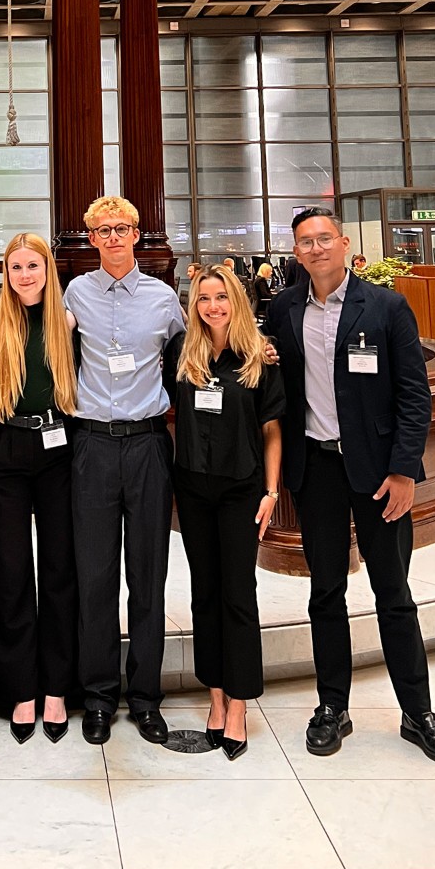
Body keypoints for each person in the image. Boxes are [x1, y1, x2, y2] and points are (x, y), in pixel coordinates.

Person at [264, 207, 435, 767]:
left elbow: (414, 394)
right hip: (318, 471)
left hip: (380, 473)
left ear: (344, 243)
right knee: (325, 592)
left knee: (393, 595)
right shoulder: (283, 308)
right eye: (305, 241)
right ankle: (333, 706)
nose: (316, 248)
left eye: (324, 238)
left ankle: (418, 712)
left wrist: (404, 470)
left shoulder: (385, 306)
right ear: (296, 251)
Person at [64, 195, 185, 746]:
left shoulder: (163, 299)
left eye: (121, 228)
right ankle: (97, 695)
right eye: (102, 231)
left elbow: (193, 358)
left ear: (137, 233)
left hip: (146, 447)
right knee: (94, 578)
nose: (112, 238)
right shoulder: (76, 293)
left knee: (148, 577)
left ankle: (145, 697)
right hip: (90, 446)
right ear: (91, 240)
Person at [164, 265, 283, 761]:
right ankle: (214, 696)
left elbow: (272, 428)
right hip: (193, 489)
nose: (212, 306)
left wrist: (271, 493)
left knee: (238, 594)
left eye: (221, 297)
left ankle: (239, 705)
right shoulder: (182, 353)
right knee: (204, 592)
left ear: (236, 300)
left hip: (241, 490)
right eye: (203, 299)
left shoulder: (261, 355)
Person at [0, 233, 78, 743]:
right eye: (16, 267)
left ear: (47, 269)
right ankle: (21, 690)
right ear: (6, 273)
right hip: (7, 454)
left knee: (59, 568)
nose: (25, 275)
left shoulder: (69, 318)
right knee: (11, 573)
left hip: (59, 452)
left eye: (33, 265)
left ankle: (57, 687)